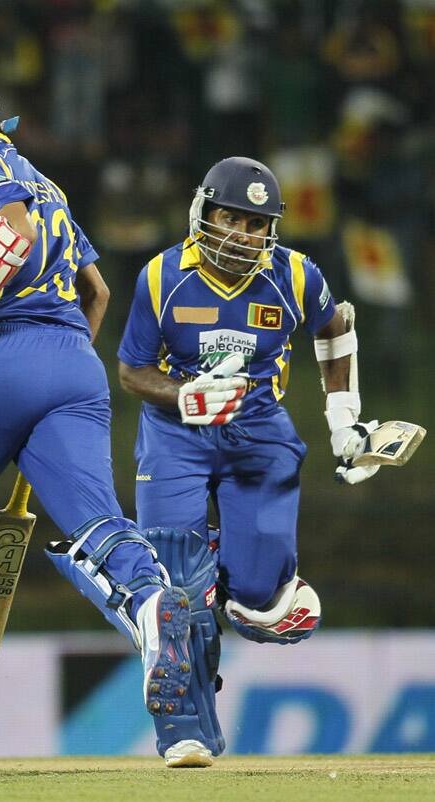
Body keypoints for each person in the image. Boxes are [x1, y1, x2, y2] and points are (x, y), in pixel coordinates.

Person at [0, 64, 192, 755]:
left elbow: (11, 234)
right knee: (99, 522)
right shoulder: (43, 178)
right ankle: (150, 604)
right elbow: (98, 291)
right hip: (76, 363)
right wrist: (60, 370)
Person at [118, 156, 382, 767]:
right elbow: (133, 370)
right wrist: (183, 394)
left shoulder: (295, 276)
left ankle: (247, 591)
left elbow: (335, 328)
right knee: (175, 580)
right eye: (229, 217)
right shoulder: (162, 277)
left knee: (260, 604)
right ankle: (185, 732)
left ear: (272, 230)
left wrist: (344, 418)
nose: (241, 233)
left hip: (259, 431)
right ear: (202, 213)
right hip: (176, 433)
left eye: (255, 223)